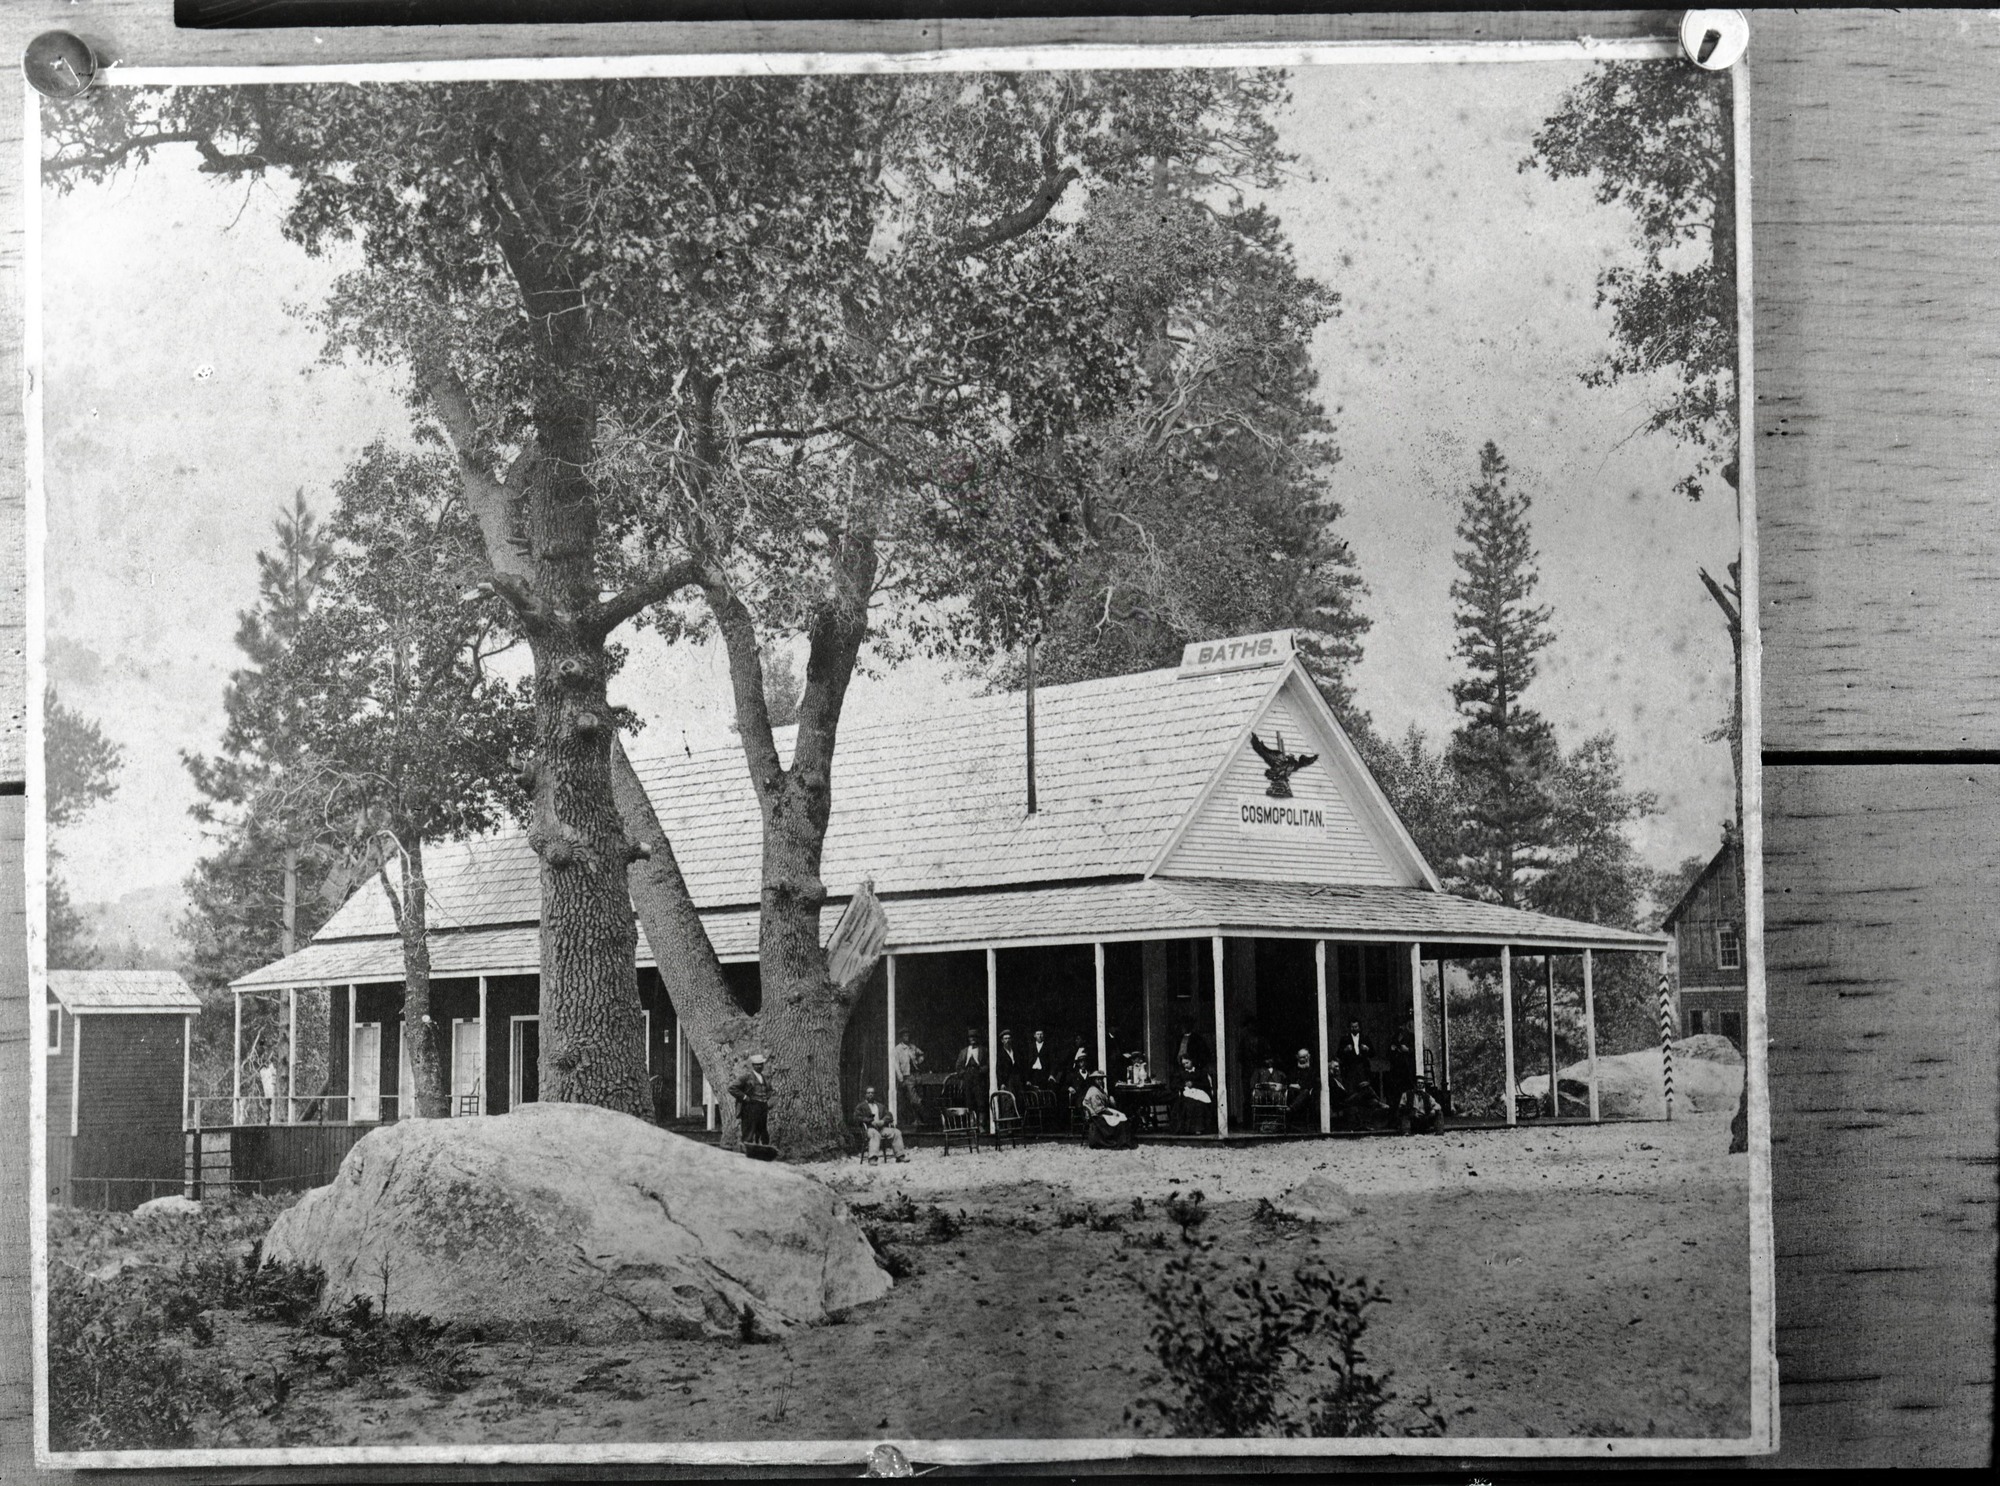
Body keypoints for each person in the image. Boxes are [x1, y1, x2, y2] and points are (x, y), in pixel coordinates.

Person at [853, 1086, 909, 1163]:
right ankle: (872, 1158)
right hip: (869, 1129)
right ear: (865, 1095)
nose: (870, 1094)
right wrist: (870, 1121)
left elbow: (889, 1115)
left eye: (872, 1093)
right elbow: (857, 1117)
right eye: (868, 1093)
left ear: (874, 1094)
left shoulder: (880, 1106)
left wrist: (882, 1121)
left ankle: (900, 1156)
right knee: (875, 1134)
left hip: (881, 1128)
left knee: (896, 1132)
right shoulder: (861, 1106)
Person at [1081, 1072, 1137, 1150]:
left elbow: (1104, 1102)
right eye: (1098, 1079)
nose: (1100, 1081)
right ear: (1094, 1080)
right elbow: (1099, 1109)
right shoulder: (1093, 1091)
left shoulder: (1099, 1089)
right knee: (1120, 1120)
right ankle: (1120, 1142)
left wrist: (1110, 1099)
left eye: (1101, 1079)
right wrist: (1112, 1114)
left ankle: (1124, 1141)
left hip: (1101, 1110)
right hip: (1097, 1115)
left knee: (1122, 1116)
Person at [729, 1053, 774, 1148]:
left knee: (762, 1131)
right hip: (750, 1107)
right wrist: (745, 1097)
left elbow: (769, 1090)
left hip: (762, 1107)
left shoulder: (764, 1077)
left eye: (761, 1064)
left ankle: (762, 1152)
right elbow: (732, 1088)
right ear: (753, 1066)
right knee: (749, 1131)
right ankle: (746, 1152)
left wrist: (766, 1098)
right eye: (757, 1065)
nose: (759, 1066)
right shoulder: (746, 1077)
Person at [1172, 1054, 1215, 1135]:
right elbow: (1174, 1084)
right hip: (1186, 1093)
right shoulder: (1181, 1073)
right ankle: (1187, 1129)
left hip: (1200, 1093)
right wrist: (1184, 1085)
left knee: (1199, 1104)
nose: (1185, 1065)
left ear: (1192, 1061)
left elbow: (1206, 1084)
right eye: (1183, 1064)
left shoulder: (1200, 1072)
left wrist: (1194, 1084)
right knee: (1188, 1104)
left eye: (1187, 1063)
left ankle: (1199, 1128)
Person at [893, 1032, 925, 1124]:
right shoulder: (898, 1049)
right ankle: (922, 1114)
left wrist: (919, 1060)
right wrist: (901, 1078)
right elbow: (896, 1065)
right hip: (907, 1076)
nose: (907, 1037)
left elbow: (921, 1054)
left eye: (908, 1035)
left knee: (917, 1096)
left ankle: (917, 1120)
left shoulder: (912, 1047)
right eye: (905, 1035)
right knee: (915, 1100)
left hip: (916, 1075)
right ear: (901, 1037)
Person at [1286, 1048, 1319, 1126]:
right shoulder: (1293, 1070)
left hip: (1307, 1097)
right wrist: (1293, 1086)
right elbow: (1288, 1082)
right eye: (1302, 1057)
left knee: (1305, 1092)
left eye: (1306, 1056)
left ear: (1309, 1057)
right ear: (1297, 1057)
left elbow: (1312, 1084)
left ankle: (1291, 1108)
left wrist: (1300, 1086)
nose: (1304, 1059)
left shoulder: (1313, 1070)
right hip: (1293, 1094)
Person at [996, 1029, 1024, 1094]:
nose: (1007, 1041)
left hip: (1017, 1079)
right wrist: (1001, 1083)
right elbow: (999, 1069)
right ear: (1002, 1041)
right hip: (1007, 1080)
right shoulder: (1000, 1054)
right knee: (1009, 1099)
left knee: (1019, 1098)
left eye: (1009, 1038)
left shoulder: (1015, 1052)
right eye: (1005, 1039)